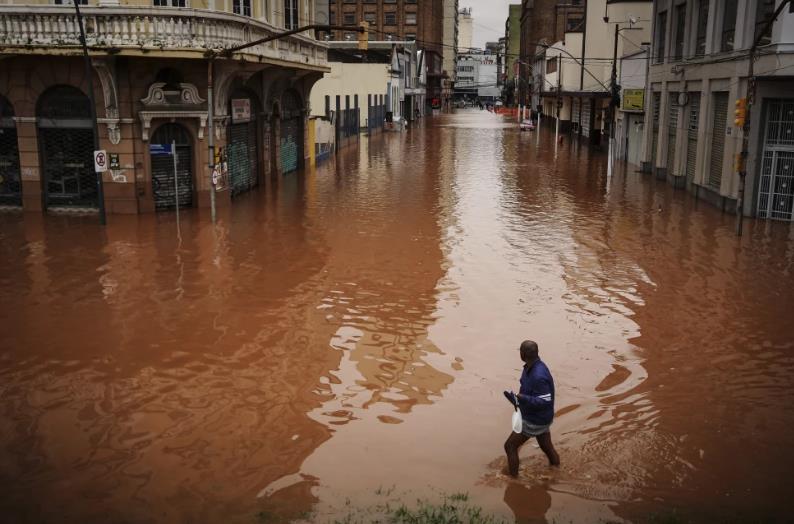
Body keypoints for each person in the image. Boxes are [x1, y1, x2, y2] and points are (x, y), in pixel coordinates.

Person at [503, 340, 560, 477]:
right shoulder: (530, 367)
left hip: (535, 419)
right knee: (546, 446)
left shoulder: (538, 375)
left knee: (510, 446)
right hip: (541, 416)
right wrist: (516, 400)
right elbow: (530, 393)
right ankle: (557, 469)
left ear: (522, 354)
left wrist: (523, 398)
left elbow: (544, 401)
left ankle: (513, 481)